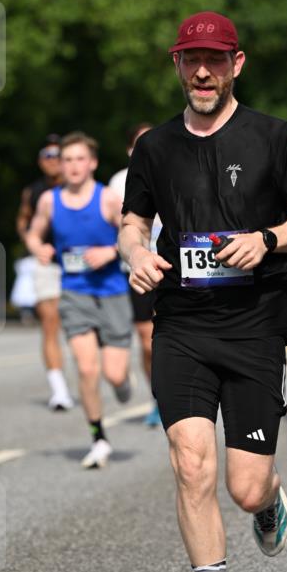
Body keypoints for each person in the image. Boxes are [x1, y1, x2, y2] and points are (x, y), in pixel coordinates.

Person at [118, 11, 287, 572]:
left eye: (214, 59)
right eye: (189, 59)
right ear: (176, 64)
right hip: (179, 321)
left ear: (237, 64)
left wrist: (263, 240)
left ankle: (267, 499)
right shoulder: (154, 148)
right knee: (189, 461)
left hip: (254, 323)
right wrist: (133, 252)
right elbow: (133, 220)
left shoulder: (271, 137)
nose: (201, 71)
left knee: (242, 486)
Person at [26, 131, 133, 468]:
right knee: (87, 368)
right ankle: (98, 437)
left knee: (114, 375)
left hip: (113, 292)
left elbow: (136, 234)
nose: (72, 166)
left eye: (79, 159)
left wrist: (110, 250)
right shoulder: (48, 201)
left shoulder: (108, 200)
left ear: (93, 163)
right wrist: (39, 248)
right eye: (67, 160)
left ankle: (122, 384)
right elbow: (33, 232)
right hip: (74, 293)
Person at [16, 134, 74, 412]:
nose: (53, 160)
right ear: (41, 161)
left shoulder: (77, 187)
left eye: (57, 154)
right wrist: (34, 244)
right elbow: (23, 221)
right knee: (49, 321)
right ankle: (59, 390)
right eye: (48, 155)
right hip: (46, 264)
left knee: (81, 325)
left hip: (79, 262)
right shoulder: (34, 192)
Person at [109, 123, 162, 427]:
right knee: (147, 341)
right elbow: (116, 225)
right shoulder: (119, 182)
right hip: (138, 269)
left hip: (173, 266)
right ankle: (157, 397)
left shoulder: (176, 168)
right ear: (131, 150)